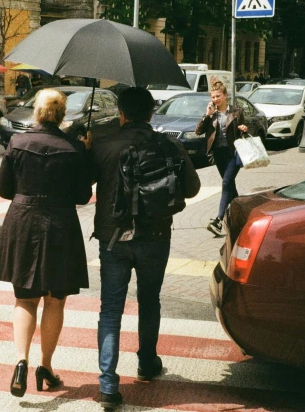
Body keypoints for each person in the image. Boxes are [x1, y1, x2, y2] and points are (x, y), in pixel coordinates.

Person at [88, 87, 200, 409]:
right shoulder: (168, 144)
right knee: (150, 301)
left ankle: (108, 384)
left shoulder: (105, 145)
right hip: (155, 237)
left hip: (113, 240)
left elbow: (82, 189)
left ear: (121, 113)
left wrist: (87, 147)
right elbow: (191, 188)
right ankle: (147, 362)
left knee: (110, 309)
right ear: (152, 114)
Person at [0, 89, 93, 398]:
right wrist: (85, 152)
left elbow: (3, 189)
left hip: (23, 223)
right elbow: (83, 196)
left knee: (24, 299)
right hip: (60, 225)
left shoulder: (17, 142)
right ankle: (45, 366)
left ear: (36, 112)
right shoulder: (72, 148)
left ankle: (21, 362)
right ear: (62, 115)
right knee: (55, 299)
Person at [195, 80, 247, 236]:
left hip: (233, 153)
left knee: (226, 183)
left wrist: (243, 129)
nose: (215, 99)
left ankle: (218, 220)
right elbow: (198, 131)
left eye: (218, 96)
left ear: (225, 95)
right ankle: (243, 217)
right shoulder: (212, 114)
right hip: (218, 154)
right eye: (213, 97)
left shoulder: (236, 112)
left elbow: (243, 131)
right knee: (230, 186)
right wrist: (207, 115)